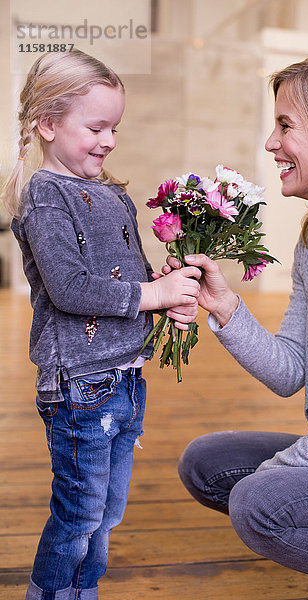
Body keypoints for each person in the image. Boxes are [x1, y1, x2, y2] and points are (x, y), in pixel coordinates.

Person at [168, 53, 308, 600]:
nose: (271, 143)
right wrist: (224, 307)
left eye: (285, 125)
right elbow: (290, 369)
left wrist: (270, 476)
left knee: (260, 503)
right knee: (208, 463)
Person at [3, 49, 201, 600]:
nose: (109, 139)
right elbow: (70, 290)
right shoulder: (45, 196)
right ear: (46, 123)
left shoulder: (113, 194)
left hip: (124, 379)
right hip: (80, 384)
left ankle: (82, 591)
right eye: (96, 127)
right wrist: (149, 293)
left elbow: (132, 281)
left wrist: (167, 294)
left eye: (114, 127)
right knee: (79, 513)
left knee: (106, 513)